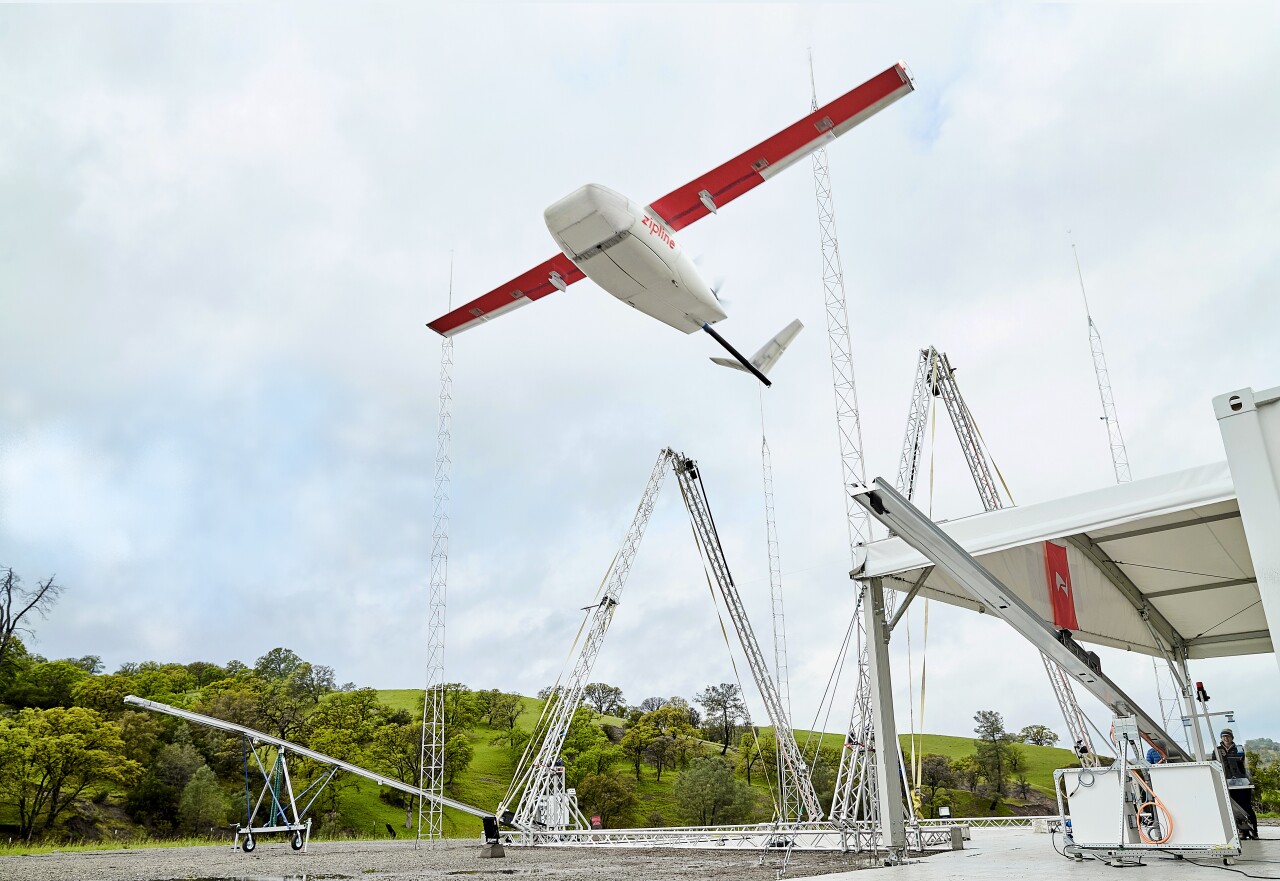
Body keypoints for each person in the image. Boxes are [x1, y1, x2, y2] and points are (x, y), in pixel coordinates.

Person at [1216, 728, 1259, 839]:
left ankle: (1254, 830)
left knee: (1246, 806)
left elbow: (1240, 761)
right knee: (1234, 808)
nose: (1226, 738)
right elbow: (1216, 763)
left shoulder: (1239, 748)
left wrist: (1227, 757)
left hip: (1242, 781)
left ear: (1232, 737)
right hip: (1227, 782)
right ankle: (1242, 830)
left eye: (1228, 736)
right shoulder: (1217, 749)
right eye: (1223, 736)